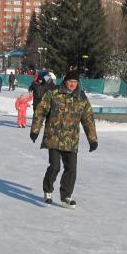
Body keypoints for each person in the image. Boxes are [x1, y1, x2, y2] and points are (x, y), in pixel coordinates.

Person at [30, 70, 98, 209]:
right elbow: (40, 111)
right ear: (65, 81)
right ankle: (48, 190)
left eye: (75, 82)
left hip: (71, 140)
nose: (72, 84)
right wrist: (35, 130)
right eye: (70, 81)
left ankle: (66, 195)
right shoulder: (53, 94)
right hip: (53, 137)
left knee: (71, 168)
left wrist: (92, 139)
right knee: (55, 166)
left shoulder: (81, 98)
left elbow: (88, 119)